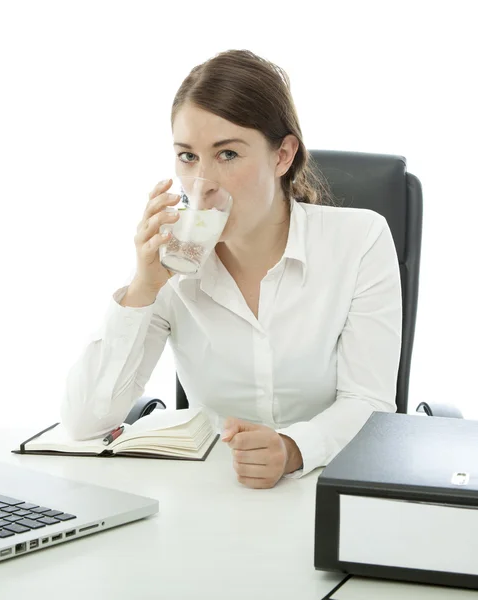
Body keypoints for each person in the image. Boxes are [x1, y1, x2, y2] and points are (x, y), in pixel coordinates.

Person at [61, 49, 402, 489]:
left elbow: (369, 403)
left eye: (227, 154)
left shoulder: (359, 241)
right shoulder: (172, 263)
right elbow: (84, 422)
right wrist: (143, 287)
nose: (204, 183)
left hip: (325, 485)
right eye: (187, 157)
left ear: (282, 156)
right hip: (212, 494)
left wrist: (293, 448)